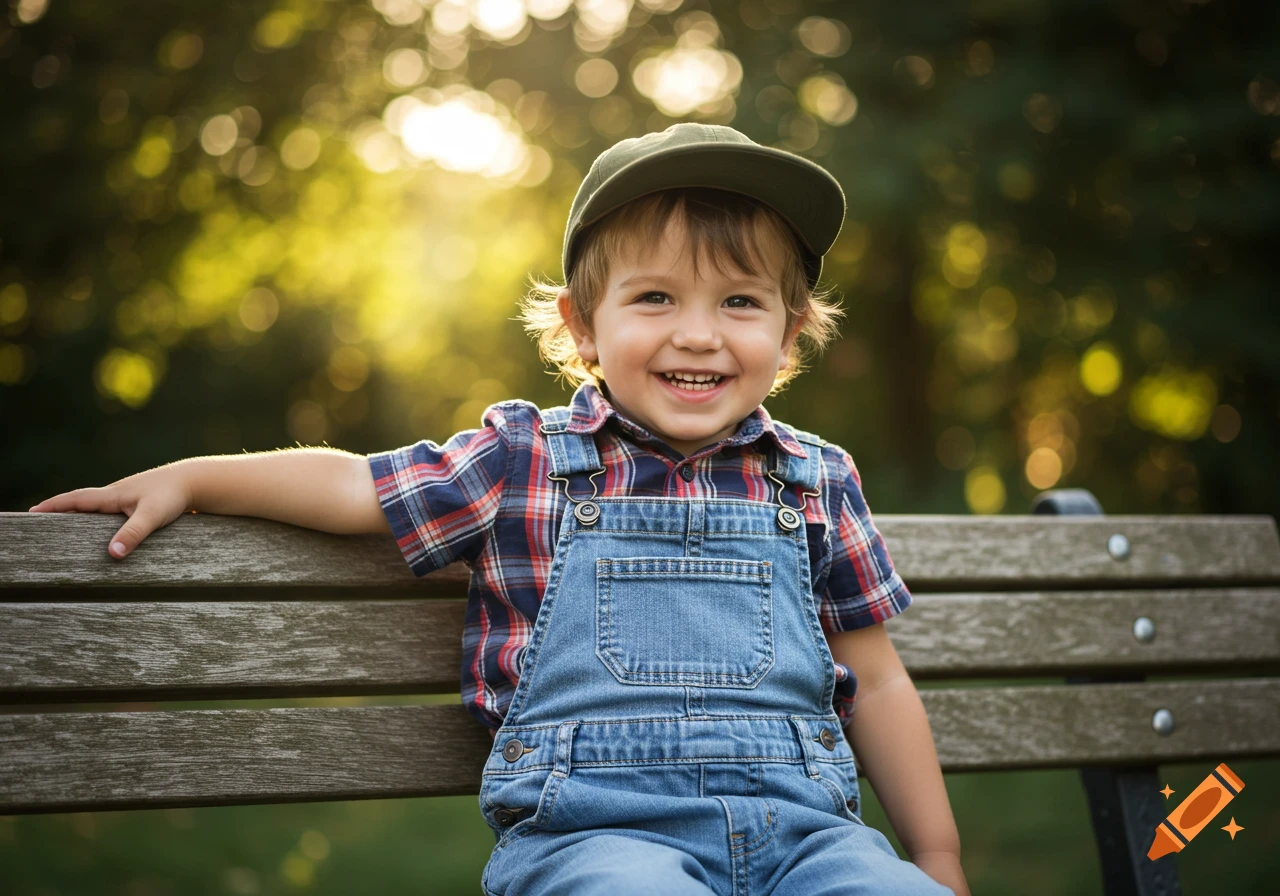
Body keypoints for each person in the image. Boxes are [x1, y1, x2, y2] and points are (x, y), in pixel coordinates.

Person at [30, 123, 968, 896]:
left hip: (808, 842)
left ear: (789, 330)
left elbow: (876, 684)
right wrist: (197, 477)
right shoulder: (522, 461)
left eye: (739, 301)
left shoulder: (812, 479)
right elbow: (359, 485)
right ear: (582, 326)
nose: (698, 333)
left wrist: (935, 860)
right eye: (654, 297)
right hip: (595, 844)